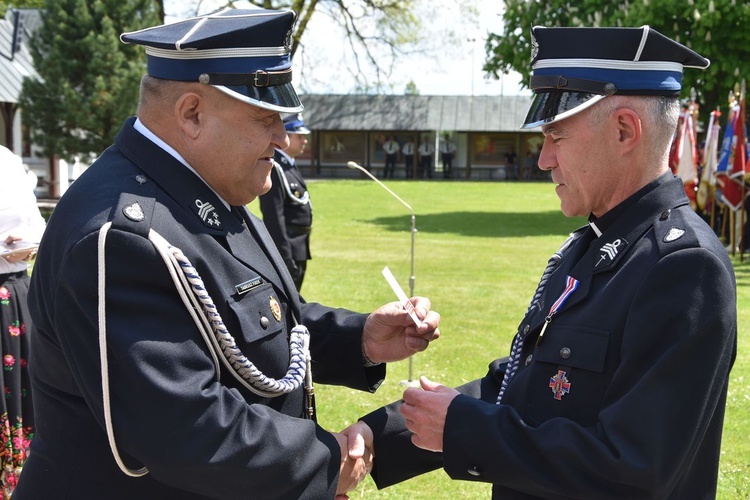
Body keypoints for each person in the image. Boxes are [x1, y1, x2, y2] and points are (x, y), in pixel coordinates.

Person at [14, 9, 440, 499]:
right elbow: (184, 428)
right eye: (265, 119)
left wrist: (358, 339)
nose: (283, 141)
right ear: (191, 114)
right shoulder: (120, 237)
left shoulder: (203, 192)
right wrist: (322, 461)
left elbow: (258, 326)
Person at [344, 25, 737, 499]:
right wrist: (380, 436)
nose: (543, 159)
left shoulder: (683, 266)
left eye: (556, 135)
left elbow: (634, 469)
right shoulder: (593, 245)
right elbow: (522, 386)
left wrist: (465, 429)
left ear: (624, 130)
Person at [0, 145, 45, 498]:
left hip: (15, 297)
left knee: (23, 395)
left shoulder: (7, 159)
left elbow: (36, 228)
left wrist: (28, 243)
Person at [259, 113, 313, 291]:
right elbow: (274, 215)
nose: (305, 141)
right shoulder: (275, 168)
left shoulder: (289, 165)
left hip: (299, 245)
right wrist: (284, 256)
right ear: (286, 136)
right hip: (288, 246)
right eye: (300, 136)